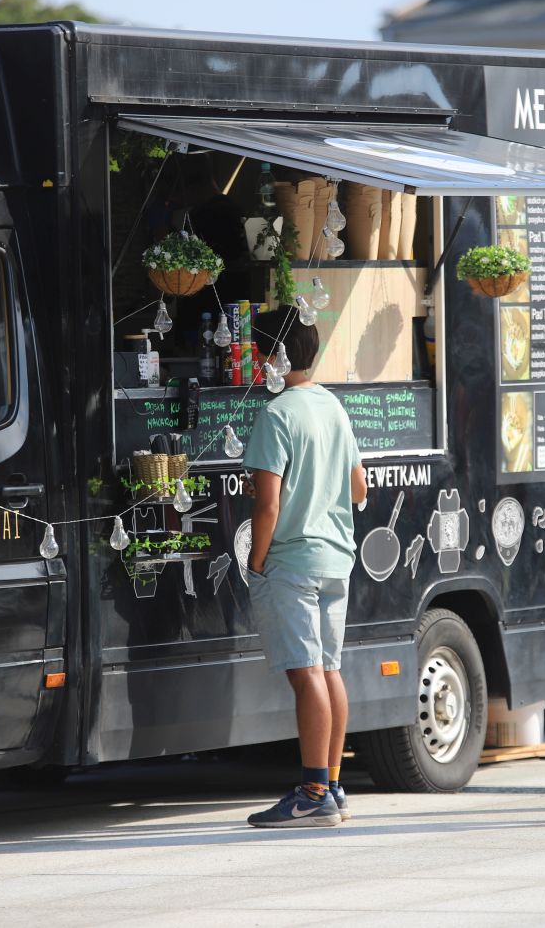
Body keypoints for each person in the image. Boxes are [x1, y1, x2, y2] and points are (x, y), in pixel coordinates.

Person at [241, 306, 367, 829]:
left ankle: (314, 791)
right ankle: (332, 785)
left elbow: (266, 504)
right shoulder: (331, 407)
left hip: (293, 560)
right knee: (329, 670)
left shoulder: (276, 414)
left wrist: (256, 560)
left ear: (277, 355)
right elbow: (360, 487)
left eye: (259, 350)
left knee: (306, 674)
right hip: (338, 557)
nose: (255, 360)